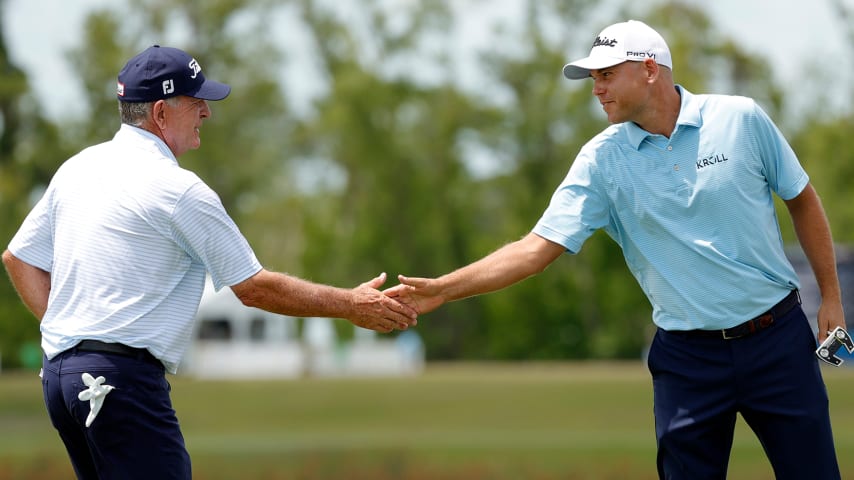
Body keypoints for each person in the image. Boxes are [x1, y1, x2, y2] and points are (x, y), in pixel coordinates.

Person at [386, 20, 844, 479]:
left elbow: (801, 199)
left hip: (776, 341)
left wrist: (832, 296)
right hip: (688, 361)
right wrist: (445, 289)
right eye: (593, 79)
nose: (596, 89)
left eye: (606, 75)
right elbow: (534, 249)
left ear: (649, 70)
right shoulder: (600, 161)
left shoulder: (740, 119)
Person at [1, 45, 417, 480]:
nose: (207, 112)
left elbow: (18, 258)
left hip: (62, 379)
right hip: (117, 383)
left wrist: (70, 338)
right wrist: (351, 305)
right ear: (161, 113)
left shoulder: (79, 167)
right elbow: (254, 287)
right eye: (196, 102)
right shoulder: (177, 190)